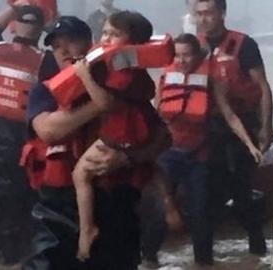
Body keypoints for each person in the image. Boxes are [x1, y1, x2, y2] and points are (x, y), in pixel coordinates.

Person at [25, 15, 171, 270]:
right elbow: (49, 131)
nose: (63, 50)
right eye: (56, 46)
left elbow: (162, 137)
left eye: (71, 42)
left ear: (90, 45)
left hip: (117, 201)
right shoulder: (44, 91)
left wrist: (129, 157)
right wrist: (102, 104)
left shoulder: (123, 84)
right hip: (59, 208)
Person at [141, 33, 262, 268]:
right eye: (178, 55)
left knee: (200, 212)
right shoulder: (166, 75)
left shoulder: (211, 79)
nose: (183, 60)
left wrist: (249, 144)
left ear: (197, 55)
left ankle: (203, 263)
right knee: (157, 210)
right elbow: (156, 115)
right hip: (168, 153)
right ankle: (148, 259)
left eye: (187, 55)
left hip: (198, 155)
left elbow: (229, 115)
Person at [70, 11, 157, 261]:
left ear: (133, 42)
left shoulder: (123, 68)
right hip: (134, 131)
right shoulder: (130, 66)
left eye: (115, 34)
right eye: (105, 32)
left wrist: (84, 75)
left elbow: (105, 103)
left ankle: (87, 230)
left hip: (122, 132)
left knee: (80, 173)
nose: (106, 38)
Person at [195, 0, 273, 255]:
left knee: (242, 191)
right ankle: (203, 258)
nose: (203, 19)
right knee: (205, 194)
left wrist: (266, 127)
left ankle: (257, 246)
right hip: (207, 127)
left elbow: (262, 86)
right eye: (199, 14)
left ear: (222, 13)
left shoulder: (244, 44)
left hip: (243, 124)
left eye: (208, 13)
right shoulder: (193, 46)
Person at [0, 2, 45, 265]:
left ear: (14, 26)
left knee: (2, 205)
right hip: (25, 146)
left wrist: (16, 7)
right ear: (40, 30)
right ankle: (24, 256)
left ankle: (9, 257)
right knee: (27, 205)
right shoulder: (46, 60)